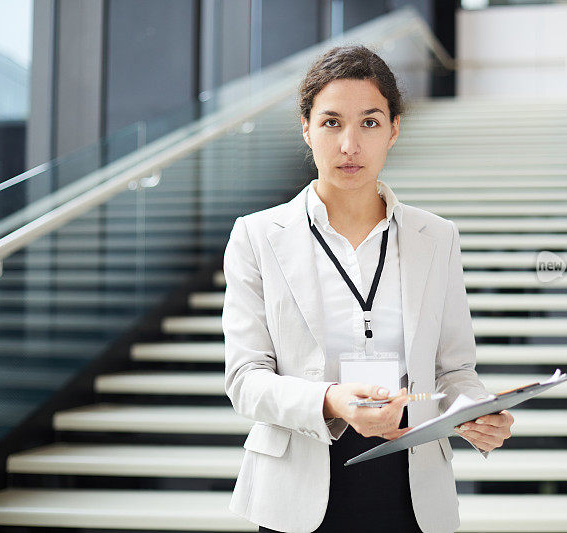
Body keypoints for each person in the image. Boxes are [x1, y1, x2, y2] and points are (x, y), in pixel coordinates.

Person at [223, 44, 514, 533]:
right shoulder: (257, 236)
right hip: (298, 490)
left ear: (394, 130)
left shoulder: (436, 237)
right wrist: (332, 401)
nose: (349, 145)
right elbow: (246, 379)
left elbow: (454, 367)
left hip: (411, 489)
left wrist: (473, 412)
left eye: (370, 123)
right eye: (332, 122)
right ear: (306, 128)